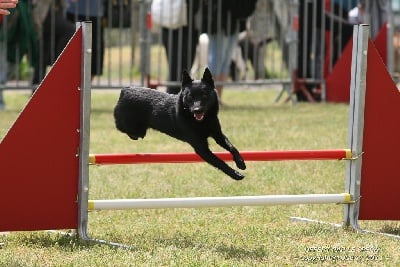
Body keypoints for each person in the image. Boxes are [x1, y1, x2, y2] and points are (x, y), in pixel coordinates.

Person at [201, 0, 256, 105]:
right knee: (216, 60)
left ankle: (218, 98)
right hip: (217, 20)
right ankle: (209, 98)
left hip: (234, 21)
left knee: (225, 61)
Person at [31, 0, 76, 88]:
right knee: (70, 30)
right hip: (42, 13)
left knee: (43, 50)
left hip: (53, 12)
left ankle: (36, 88)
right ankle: (59, 63)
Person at [161, 0, 200, 94]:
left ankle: (180, 98)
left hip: (188, 26)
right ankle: (173, 98)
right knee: (177, 69)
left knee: (184, 68)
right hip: (173, 26)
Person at [66, 0, 104, 80]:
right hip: (73, 12)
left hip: (95, 13)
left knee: (95, 54)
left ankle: (86, 88)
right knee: (73, 52)